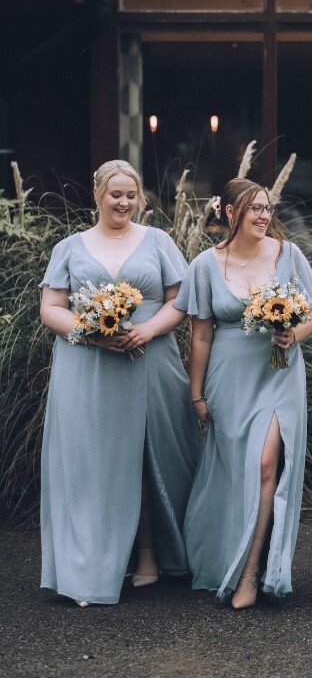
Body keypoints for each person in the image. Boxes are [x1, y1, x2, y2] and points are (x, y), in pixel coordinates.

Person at [39, 159, 199, 607]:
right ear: (97, 195)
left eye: (131, 195)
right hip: (86, 365)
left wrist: (148, 329)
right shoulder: (70, 247)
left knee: (148, 457)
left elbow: (180, 300)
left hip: (149, 360)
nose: (124, 202)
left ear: (140, 198)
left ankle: (151, 555)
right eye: (116, 195)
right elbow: (50, 307)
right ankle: (88, 568)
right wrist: (87, 330)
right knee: (92, 462)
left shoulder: (158, 241)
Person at [174, 178, 312, 609]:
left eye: (268, 208)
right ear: (231, 213)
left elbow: (311, 314)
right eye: (254, 208)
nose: (263, 215)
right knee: (232, 470)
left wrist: (294, 334)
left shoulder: (288, 255)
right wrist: (197, 394)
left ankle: (253, 573)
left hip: (278, 373)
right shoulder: (204, 264)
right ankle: (224, 557)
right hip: (227, 376)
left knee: (264, 464)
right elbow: (201, 335)